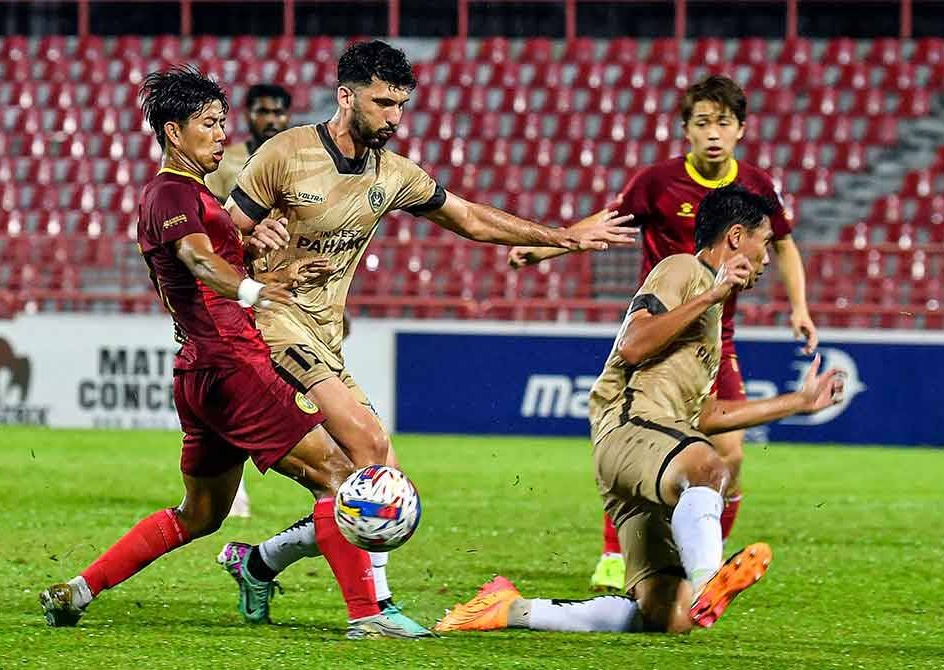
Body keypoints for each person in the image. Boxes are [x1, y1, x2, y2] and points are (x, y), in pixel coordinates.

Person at [215, 40, 635, 633]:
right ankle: (375, 611)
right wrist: (255, 250)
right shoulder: (285, 154)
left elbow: (469, 218)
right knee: (369, 452)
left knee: (384, 478)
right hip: (271, 327)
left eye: (401, 105)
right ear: (346, 97)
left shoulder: (393, 174)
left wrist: (561, 236)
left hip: (324, 337)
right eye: (383, 103)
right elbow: (218, 239)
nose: (394, 116)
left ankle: (258, 562)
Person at [38, 66, 417, 639]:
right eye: (210, 124)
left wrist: (272, 269)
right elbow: (196, 259)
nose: (222, 135)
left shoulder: (194, 196)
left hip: (198, 371)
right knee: (338, 476)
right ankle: (369, 615)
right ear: (174, 132)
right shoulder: (171, 192)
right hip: (233, 364)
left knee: (200, 514)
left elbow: (211, 260)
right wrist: (251, 290)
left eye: (222, 122)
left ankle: (78, 590)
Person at [435, 183, 844, 635]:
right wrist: (711, 295)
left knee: (669, 615)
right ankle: (708, 581)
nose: (767, 258)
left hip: (645, 453)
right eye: (764, 243)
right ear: (735, 237)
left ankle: (511, 609)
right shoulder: (682, 269)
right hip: (631, 428)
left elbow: (704, 415)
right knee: (709, 468)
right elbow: (632, 345)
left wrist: (799, 402)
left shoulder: (709, 310)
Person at [508, 75, 820, 592]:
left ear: (741, 129)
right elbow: (609, 222)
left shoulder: (756, 188)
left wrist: (800, 308)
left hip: (715, 334)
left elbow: (783, 245)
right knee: (641, 437)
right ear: (686, 130)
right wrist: (547, 247)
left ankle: (702, 565)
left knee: (731, 455)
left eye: (723, 123)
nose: (713, 133)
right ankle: (616, 554)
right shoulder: (658, 182)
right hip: (662, 324)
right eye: (702, 123)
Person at [203, 82, 292, 518]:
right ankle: (232, 484)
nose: (271, 119)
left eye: (278, 112)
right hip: (238, 284)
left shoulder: (295, 159)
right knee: (236, 382)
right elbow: (208, 219)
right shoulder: (226, 164)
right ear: (249, 115)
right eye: (263, 111)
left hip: (286, 283)